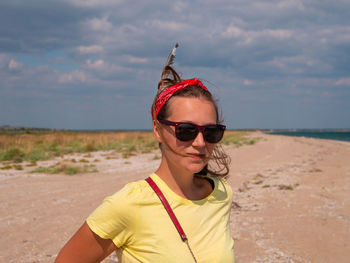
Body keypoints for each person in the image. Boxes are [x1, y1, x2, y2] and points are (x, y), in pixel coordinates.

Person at [55, 43, 234, 263]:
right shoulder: (128, 205)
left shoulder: (221, 193)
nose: (199, 142)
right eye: (186, 131)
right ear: (158, 130)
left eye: (210, 132)